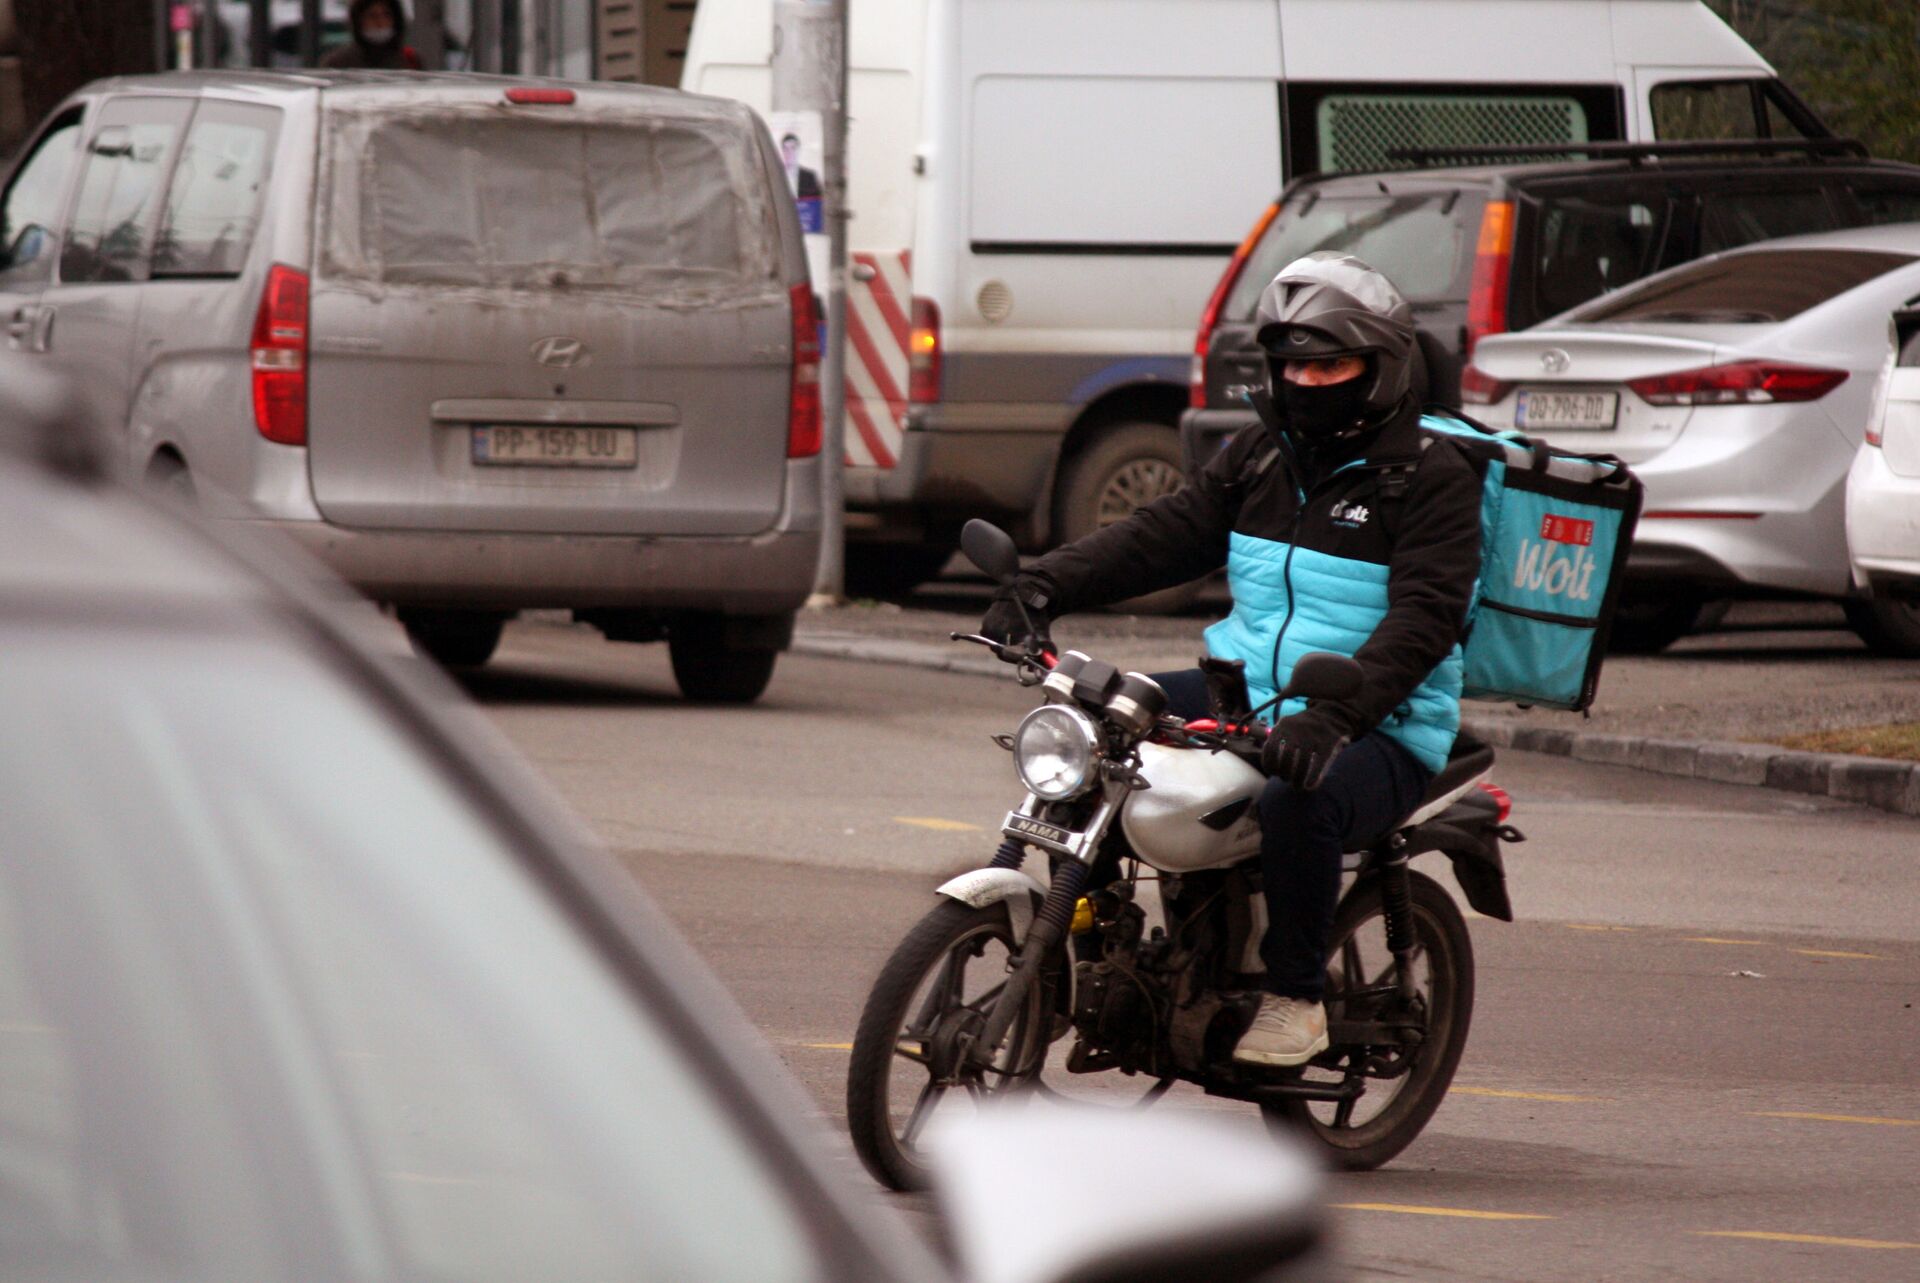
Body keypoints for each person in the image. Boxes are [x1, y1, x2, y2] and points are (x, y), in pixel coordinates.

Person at [980, 253, 1482, 1068]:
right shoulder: (1260, 456)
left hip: (1384, 720)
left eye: (1332, 363)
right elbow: (1163, 533)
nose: (1309, 382)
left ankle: (1296, 999)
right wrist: (1042, 584)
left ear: (1383, 366)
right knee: (1091, 719)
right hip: (1248, 687)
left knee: (1298, 800)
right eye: (1294, 366)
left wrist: (1335, 716)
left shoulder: (1431, 479)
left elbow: (1425, 622)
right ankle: (1095, 926)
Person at [320, 0, 423, 70]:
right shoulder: (338, 63)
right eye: (372, 16)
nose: (380, 22)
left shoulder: (410, 60)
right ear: (359, 21)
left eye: (386, 15)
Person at [780, 133, 822, 199]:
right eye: (786, 149)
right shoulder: (777, 176)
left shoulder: (809, 176)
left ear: (798, 150)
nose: (789, 152)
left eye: (793, 148)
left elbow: (817, 200)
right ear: (782, 151)